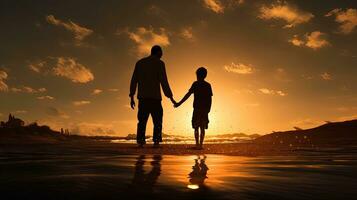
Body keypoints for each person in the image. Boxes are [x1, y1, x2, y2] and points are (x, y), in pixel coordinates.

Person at [129, 45, 176, 148]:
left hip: (143, 98)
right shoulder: (160, 64)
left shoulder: (140, 63)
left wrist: (132, 96)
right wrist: (171, 98)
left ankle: (141, 142)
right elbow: (164, 82)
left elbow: (134, 80)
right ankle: (156, 142)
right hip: (155, 98)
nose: (162, 54)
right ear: (158, 52)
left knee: (142, 121)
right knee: (157, 121)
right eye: (161, 52)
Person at [174, 67, 212, 149]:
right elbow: (210, 99)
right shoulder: (207, 85)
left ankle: (198, 144)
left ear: (198, 75)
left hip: (198, 109)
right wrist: (209, 109)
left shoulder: (196, 84)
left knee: (196, 127)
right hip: (204, 110)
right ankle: (200, 145)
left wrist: (179, 103)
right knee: (202, 127)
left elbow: (187, 95)